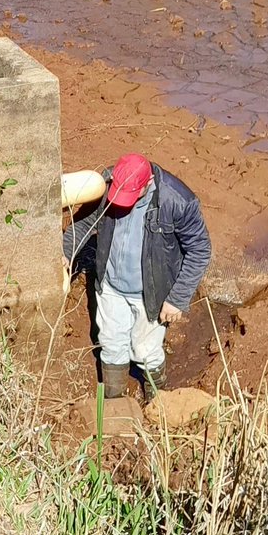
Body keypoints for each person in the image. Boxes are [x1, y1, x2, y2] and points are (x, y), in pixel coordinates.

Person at [62, 153, 211, 398]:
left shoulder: (177, 201)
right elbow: (84, 223)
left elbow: (200, 250)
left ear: (148, 182)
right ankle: (115, 401)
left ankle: (158, 401)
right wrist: (66, 252)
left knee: (145, 350)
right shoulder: (108, 185)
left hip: (151, 293)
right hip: (110, 287)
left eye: (130, 197)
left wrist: (177, 298)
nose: (121, 203)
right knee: (111, 346)